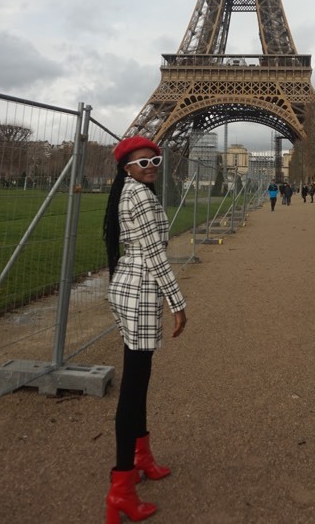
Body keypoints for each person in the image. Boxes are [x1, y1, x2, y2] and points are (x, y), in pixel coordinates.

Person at [103, 136, 187, 523]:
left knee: (139, 384)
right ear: (127, 169)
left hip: (130, 288)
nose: (151, 165)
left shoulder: (132, 191)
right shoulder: (139, 196)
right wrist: (179, 303)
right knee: (133, 390)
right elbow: (155, 256)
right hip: (139, 294)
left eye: (155, 159)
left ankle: (141, 457)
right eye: (142, 163)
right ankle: (121, 488)